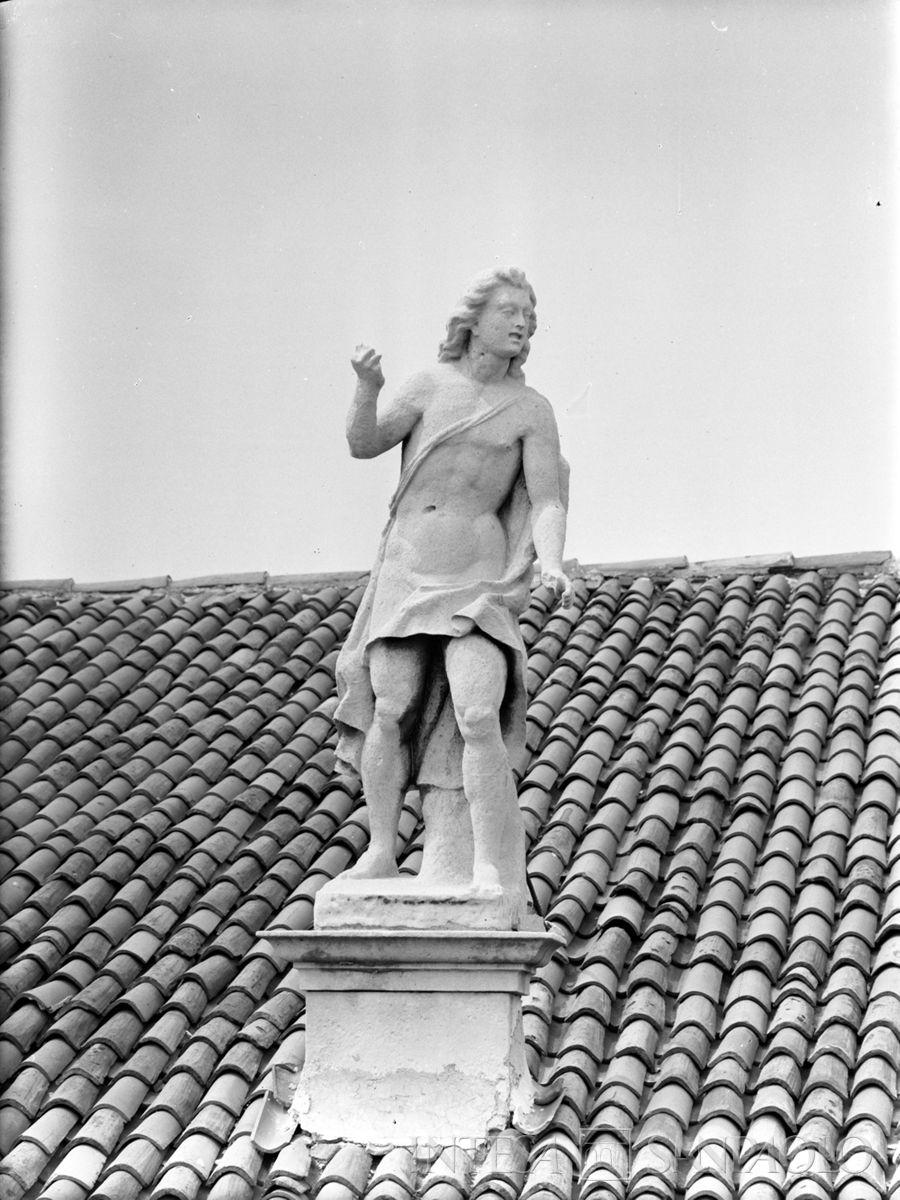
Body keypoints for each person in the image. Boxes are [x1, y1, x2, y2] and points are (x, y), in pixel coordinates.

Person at [334, 267, 571, 911]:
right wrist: (367, 387)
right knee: (391, 706)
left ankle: (489, 860)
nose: (522, 323)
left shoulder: (531, 410)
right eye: (509, 311)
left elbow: (546, 498)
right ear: (474, 320)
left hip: (479, 582)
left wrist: (551, 561)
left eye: (529, 315)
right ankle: (382, 847)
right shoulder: (428, 386)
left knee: (477, 712)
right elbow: (363, 443)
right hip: (408, 571)